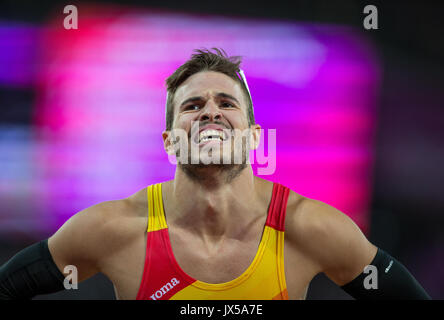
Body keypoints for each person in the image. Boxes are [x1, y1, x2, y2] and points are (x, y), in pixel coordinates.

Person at [0, 48, 431, 300]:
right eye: (193, 105)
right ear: (169, 141)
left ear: (254, 137)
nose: (210, 112)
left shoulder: (308, 227)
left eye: (227, 104)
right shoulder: (111, 229)